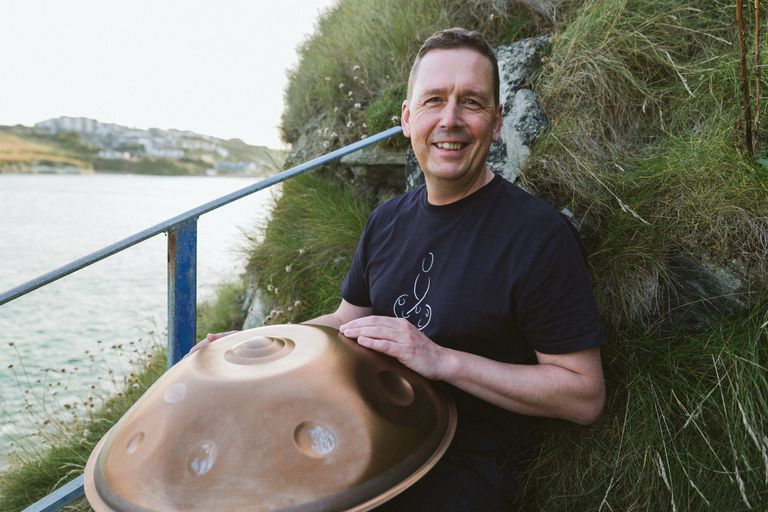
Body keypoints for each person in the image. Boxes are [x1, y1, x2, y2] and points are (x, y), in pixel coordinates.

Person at [195, 28, 605, 511]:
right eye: (434, 101)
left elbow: (583, 396)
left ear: (496, 122)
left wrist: (442, 361)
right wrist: (255, 347)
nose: (450, 120)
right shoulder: (387, 220)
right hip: (368, 435)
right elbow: (347, 321)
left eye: (471, 103)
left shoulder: (537, 235)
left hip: (462, 469)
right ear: (409, 119)